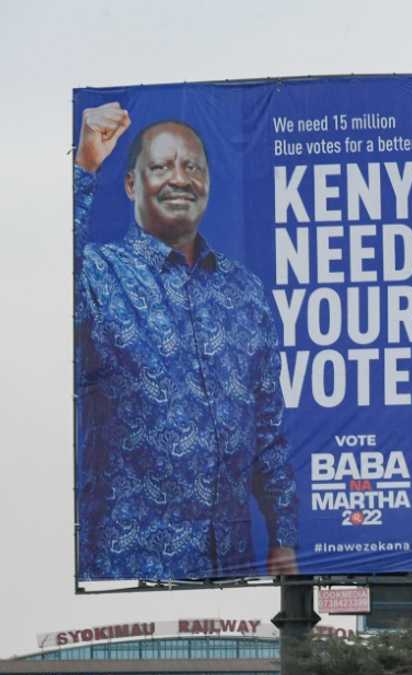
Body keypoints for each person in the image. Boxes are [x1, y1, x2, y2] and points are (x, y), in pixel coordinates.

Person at [74, 102, 297, 580]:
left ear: (208, 184)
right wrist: (84, 168)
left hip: (230, 568)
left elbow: (267, 430)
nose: (180, 178)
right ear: (131, 184)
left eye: (193, 167)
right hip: (125, 572)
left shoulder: (246, 292)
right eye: (160, 167)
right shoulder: (96, 274)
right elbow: (53, 273)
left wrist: (284, 538)